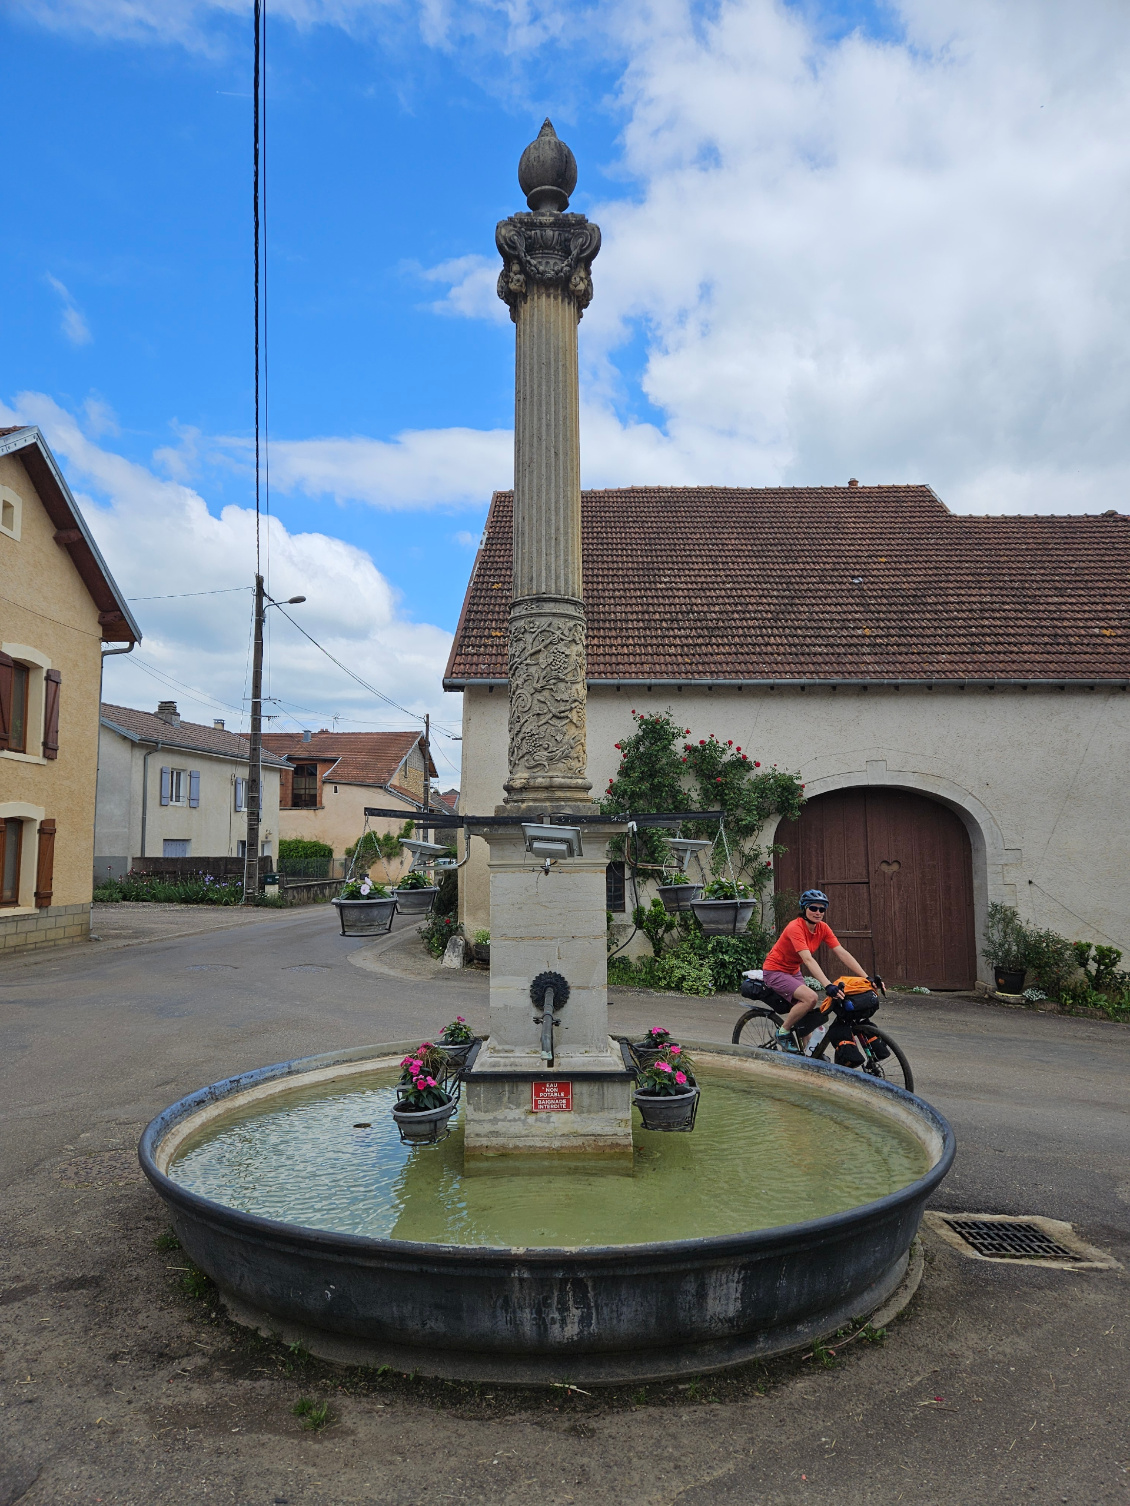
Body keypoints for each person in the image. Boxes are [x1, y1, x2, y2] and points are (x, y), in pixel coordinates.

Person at [761, 890, 874, 1050]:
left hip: (793, 971)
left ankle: (809, 1056)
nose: (818, 912)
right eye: (813, 908)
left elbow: (841, 952)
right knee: (811, 998)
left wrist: (866, 977)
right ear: (804, 908)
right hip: (775, 971)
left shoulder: (823, 928)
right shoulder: (795, 927)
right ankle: (783, 1032)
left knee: (806, 1017)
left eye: (822, 909)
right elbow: (807, 959)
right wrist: (828, 985)